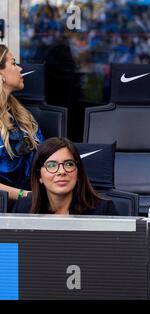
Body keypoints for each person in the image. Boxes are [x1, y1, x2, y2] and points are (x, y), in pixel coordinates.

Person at [14, 137, 118, 215]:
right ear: (39, 176)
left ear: (78, 173)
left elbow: (118, 244)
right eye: (51, 165)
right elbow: (8, 244)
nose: (61, 171)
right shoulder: (24, 207)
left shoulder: (104, 210)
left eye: (69, 164)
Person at [0, 44, 44, 200]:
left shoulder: (23, 115)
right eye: (13, 63)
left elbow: (43, 159)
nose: (20, 69)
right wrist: (23, 196)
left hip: (31, 200)